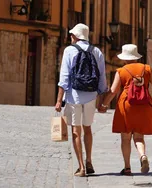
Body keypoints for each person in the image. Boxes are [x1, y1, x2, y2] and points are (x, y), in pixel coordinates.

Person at [99, 44, 152, 175]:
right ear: (136, 57)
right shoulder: (146, 69)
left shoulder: (121, 71)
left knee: (126, 138)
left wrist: (104, 105)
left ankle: (127, 167)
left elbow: (113, 91)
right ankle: (142, 156)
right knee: (139, 137)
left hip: (126, 105)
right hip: (144, 104)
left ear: (124, 58)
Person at [55, 23, 107, 177]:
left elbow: (63, 78)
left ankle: (81, 167)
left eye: (72, 35)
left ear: (75, 36)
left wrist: (59, 101)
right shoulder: (97, 51)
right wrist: (101, 100)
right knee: (88, 129)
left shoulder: (69, 51)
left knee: (76, 131)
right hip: (91, 96)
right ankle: (89, 161)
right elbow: (102, 78)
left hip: (73, 96)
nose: (71, 37)